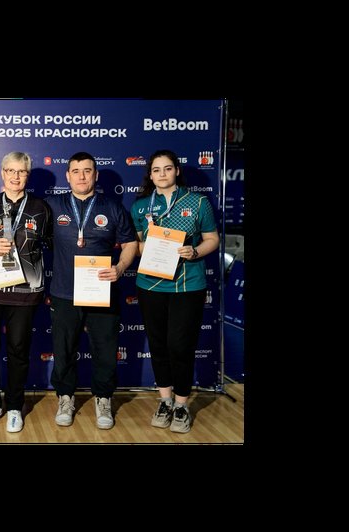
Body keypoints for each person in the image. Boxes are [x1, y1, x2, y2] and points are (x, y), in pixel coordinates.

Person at [44, 152, 137, 430]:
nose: (82, 176)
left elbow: (130, 243)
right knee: (63, 350)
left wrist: (120, 267)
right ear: (67, 176)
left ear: (96, 175)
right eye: (76, 171)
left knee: (106, 349)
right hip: (64, 292)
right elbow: (21, 212)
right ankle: (65, 397)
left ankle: (103, 399)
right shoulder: (52, 204)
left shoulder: (113, 207)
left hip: (101, 291)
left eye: (87, 171)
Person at [130, 149, 219, 434]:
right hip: (151, 284)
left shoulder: (198, 202)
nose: (162, 174)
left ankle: (181, 404)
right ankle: (165, 401)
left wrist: (195, 251)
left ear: (177, 171)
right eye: (156, 170)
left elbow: (212, 238)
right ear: (150, 174)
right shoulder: (140, 206)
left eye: (168, 168)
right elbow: (137, 246)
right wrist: (149, 246)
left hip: (188, 284)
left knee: (180, 346)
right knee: (158, 345)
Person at [0, 152, 52, 433]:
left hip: (25, 292)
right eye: (11, 171)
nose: (16, 176)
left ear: (28, 175)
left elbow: (55, 245)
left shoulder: (41, 208)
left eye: (21, 172)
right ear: (2, 173)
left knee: (19, 349)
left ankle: (15, 406)